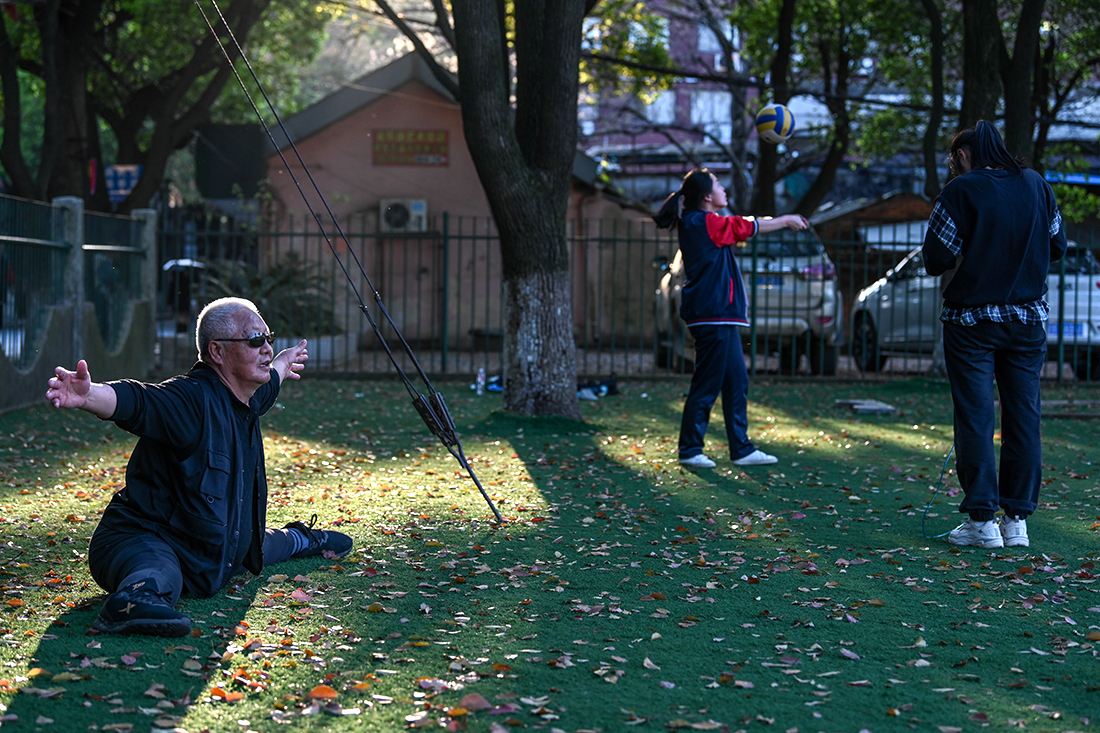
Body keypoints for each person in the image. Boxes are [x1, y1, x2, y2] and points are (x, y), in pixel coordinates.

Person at [45, 297, 353, 636]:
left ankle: (299, 539)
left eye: (269, 339)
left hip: (214, 548)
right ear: (217, 352)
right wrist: (89, 396)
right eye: (254, 341)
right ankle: (133, 602)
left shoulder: (248, 397)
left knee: (253, 544)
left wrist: (281, 361)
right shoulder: (189, 399)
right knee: (161, 570)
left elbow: (272, 381)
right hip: (146, 540)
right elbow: (140, 401)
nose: (265, 348)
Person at [922, 121, 1067, 549]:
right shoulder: (1037, 185)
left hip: (971, 323)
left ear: (964, 155)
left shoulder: (961, 191)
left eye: (954, 159)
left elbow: (934, 258)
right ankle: (1017, 520)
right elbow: (1057, 245)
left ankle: (982, 521)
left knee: (976, 416)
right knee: (1024, 417)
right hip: (1026, 323)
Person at [654, 168, 809, 469]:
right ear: (708, 197)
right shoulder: (704, 222)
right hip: (713, 315)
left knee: (736, 381)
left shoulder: (706, 222)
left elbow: (746, 224)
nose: (725, 189)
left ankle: (741, 448)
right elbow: (747, 227)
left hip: (721, 317)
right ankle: (689, 449)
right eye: (719, 185)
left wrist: (777, 221)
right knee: (708, 382)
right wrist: (786, 220)